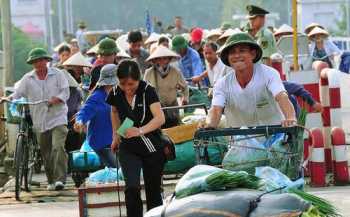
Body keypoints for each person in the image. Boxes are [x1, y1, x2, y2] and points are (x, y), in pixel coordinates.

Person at [3, 48, 69, 191]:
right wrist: (8, 98)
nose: (38, 63)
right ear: (32, 63)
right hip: (39, 119)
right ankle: (51, 180)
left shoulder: (58, 74)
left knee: (58, 147)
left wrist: (57, 99)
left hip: (58, 117)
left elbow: (65, 91)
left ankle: (60, 180)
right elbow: (17, 93)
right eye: (35, 61)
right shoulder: (28, 78)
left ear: (46, 60)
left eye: (41, 60)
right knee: (46, 152)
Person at [107, 60, 165, 217]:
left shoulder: (148, 91)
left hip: (151, 144)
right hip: (128, 146)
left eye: (131, 84)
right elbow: (114, 112)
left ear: (138, 79)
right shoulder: (114, 92)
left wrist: (140, 131)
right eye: (122, 84)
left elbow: (160, 118)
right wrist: (116, 135)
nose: (127, 89)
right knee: (131, 188)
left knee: (153, 190)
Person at [207, 33, 296, 128]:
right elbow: (216, 109)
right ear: (228, 58)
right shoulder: (222, 84)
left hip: (274, 136)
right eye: (232, 52)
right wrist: (209, 126)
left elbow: (281, 96)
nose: (237, 55)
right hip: (239, 141)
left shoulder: (269, 73)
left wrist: (290, 118)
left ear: (253, 54)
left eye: (242, 51)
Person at [74, 64, 118, 167]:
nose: (112, 86)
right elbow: (83, 112)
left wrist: (122, 133)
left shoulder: (122, 95)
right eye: (110, 85)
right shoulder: (96, 97)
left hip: (119, 140)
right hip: (102, 143)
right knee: (118, 169)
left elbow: (129, 118)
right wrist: (79, 122)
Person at [144, 45, 189, 128]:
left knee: (175, 131)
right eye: (159, 58)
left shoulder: (176, 72)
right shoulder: (149, 73)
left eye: (165, 58)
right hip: (156, 110)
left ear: (169, 59)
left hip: (173, 108)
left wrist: (185, 98)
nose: (162, 61)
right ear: (155, 60)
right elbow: (143, 91)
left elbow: (185, 87)